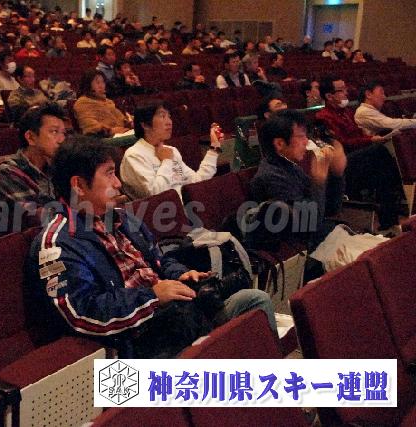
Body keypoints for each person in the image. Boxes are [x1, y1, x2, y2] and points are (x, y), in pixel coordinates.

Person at [25, 138, 276, 358]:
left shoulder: (123, 218)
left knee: (255, 300)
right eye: (109, 174)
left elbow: (159, 260)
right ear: (78, 185)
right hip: (137, 346)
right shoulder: (58, 243)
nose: (118, 183)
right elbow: (81, 313)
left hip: (178, 318)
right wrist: (153, 296)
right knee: (219, 353)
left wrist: (180, 274)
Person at [316, 76, 404, 231]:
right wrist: (370, 140)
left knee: (383, 171)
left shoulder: (347, 112)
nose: (346, 93)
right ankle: (392, 212)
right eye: (341, 90)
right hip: (343, 163)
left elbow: (358, 135)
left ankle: (389, 222)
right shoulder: (323, 117)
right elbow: (341, 143)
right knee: (380, 153)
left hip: (360, 157)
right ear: (329, 96)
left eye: (345, 89)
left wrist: (370, 138)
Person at [250, 109, 347, 250]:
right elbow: (309, 226)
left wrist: (336, 174)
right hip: (302, 251)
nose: (307, 142)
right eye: (301, 136)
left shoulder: (290, 167)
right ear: (279, 144)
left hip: (322, 239)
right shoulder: (271, 177)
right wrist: (318, 182)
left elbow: (331, 209)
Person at [120, 102, 222, 200]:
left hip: (189, 206)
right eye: (162, 116)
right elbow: (156, 196)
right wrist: (167, 161)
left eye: (169, 116)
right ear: (145, 125)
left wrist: (214, 148)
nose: (169, 122)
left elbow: (196, 183)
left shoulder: (171, 150)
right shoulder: (134, 155)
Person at [0, 103, 66, 229]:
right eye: (54, 131)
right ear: (30, 137)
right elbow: (38, 218)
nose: (61, 139)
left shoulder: (56, 165)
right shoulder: (8, 172)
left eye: (63, 133)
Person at [72, 69, 131, 136]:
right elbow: (90, 127)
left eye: (103, 82)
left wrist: (130, 123)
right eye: (98, 83)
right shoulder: (82, 103)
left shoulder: (108, 101)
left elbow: (122, 119)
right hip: (104, 138)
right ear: (88, 85)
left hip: (122, 133)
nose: (101, 86)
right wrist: (111, 131)